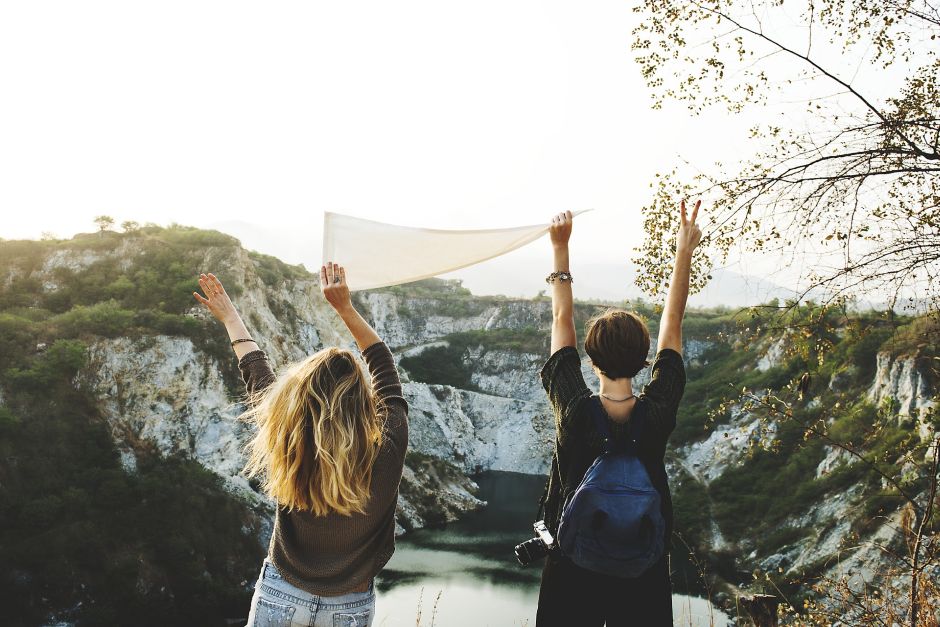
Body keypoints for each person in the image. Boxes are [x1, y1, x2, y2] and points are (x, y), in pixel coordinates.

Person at [193, 262, 408, 627]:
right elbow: (384, 366)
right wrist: (344, 307)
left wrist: (231, 318)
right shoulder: (389, 443)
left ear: (298, 398)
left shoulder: (286, 435)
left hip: (282, 592)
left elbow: (256, 374)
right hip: (350, 603)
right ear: (362, 400)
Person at [535, 202, 703, 626]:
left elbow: (561, 317)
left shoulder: (574, 411)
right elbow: (673, 322)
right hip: (641, 569)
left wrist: (560, 247)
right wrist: (684, 253)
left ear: (591, 358)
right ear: (644, 357)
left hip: (571, 566)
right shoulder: (658, 411)